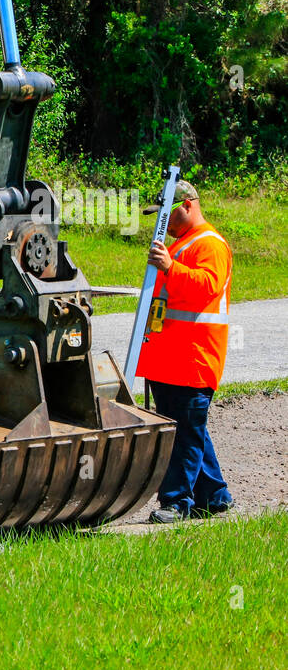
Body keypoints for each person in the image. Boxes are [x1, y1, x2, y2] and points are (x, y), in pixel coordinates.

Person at [136, 180, 234, 524]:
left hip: (192, 360)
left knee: (183, 434)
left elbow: (205, 287)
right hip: (172, 360)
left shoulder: (210, 244)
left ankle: (176, 503)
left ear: (187, 205)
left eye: (167, 216)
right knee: (190, 429)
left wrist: (169, 268)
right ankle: (215, 496)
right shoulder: (184, 244)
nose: (163, 224)